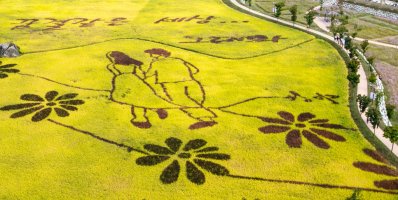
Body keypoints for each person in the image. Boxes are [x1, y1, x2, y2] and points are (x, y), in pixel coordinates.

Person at [142, 48, 217, 129]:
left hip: (171, 84)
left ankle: (206, 118)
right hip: (190, 81)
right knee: (192, 101)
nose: (150, 56)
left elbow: (148, 75)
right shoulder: (178, 60)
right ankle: (207, 118)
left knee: (182, 102)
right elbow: (194, 70)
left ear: (159, 55)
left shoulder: (155, 63)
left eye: (152, 55)